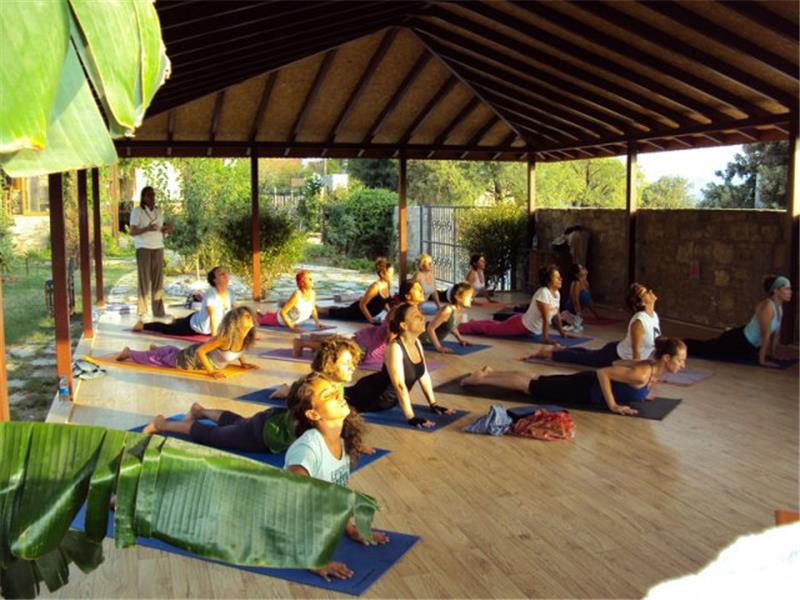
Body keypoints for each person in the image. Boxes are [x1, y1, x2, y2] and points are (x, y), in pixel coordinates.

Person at [143, 336, 362, 456]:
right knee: (214, 436)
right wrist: (285, 391)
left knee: (238, 422)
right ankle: (163, 424)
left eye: (352, 362)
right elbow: (303, 405)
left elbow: (337, 422)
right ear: (329, 365)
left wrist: (352, 443)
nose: (352, 367)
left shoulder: (334, 388)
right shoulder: (316, 387)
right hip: (264, 435)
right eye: (346, 363)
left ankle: (200, 411)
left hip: (271, 420)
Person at [285, 374, 389, 581]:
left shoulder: (340, 440)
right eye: (328, 395)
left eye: (335, 391)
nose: (338, 395)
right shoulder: (307, 450)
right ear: (313, 413)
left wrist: (350, 529)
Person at [462, 337, 687, 416]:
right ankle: (479, 379)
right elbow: (604, 371)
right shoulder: (642, 373)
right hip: (584, 389)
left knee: (536, 379)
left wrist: (641, 394)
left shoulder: (648, 371)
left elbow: (617, 364)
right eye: (680, 360)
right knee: (530, 386)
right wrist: (613, 405)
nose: (683, 365)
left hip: (585, 385)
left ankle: (491, 372)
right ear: (666, 358)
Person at [343, 303, 454, 428]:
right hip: (372, 396)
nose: (422, 317)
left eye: (420, 313)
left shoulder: (417, 343)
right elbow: (399, 385)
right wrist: (411, 417)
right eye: (415, 316)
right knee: (334, 397)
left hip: (387, 398)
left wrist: (433, 404)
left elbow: (423, 375)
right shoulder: (394, 348)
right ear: (404, 325)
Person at [525, 282, 660, 367]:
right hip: (615, 356)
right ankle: (550, 353)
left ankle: (560, 349)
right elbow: (636, 356)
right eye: (645, 292)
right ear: (641, 303)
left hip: (617, 349)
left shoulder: (653, 316)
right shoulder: (639, 321)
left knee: (587, 353)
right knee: (583, 357)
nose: (650, 292)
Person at [117, 307, 258, 378]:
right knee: (158, 360)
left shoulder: (245, 336)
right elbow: (200, 351)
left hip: (194, 354)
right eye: (247, 317)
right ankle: (129, 352)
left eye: (250, 316)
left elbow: (238, 350)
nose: (251, 318)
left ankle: (159, 349)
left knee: (174, 352)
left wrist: (243, 363)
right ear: (236, 323)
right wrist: (211, 372)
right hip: (191, 360)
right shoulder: (224, 338)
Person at [685, 275, 792, 368]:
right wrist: (762, 361)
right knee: (706, 350)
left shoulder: (779, 307)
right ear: (776, 290)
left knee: (710, 349)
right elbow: (766, 336)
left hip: (750, 346)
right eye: (787, 289)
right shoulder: (767, 306)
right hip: (739, 341)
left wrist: (773, 355)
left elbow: (776, 335)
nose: (790, 292)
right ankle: (681, 344)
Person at [458, 264, 568, 342]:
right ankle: (461, 327)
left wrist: (562, 333)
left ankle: (473, 323)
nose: (561, 279)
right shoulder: (543, 293)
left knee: (495, 325)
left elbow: (557, 314)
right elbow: (545, 318)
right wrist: (546, 338)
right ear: (548, 281)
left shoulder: (557, 293)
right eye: (557, 278)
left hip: (527, 327)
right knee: (491, 329)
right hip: (521, 325)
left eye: (560, 277)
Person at [134, 266, 233, 337]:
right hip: (194, 326)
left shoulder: (230, 292)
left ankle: (177, 320)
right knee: (168, 329)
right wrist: (215, 338)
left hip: (199, 318)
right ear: (215, 280)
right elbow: (213, 316)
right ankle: (143, 325)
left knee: (180, 322)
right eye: (222, 274)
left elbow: (234, 311)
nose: (226, 275)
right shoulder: (211, 295)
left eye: (226, 273)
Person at [129, 186, 171, 318]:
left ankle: (158, 311)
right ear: (143, 197)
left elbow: (161, 230)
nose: (152, 197)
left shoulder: (159, 211)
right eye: (149, 195)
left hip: (158, 247)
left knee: (158, 281)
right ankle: (142, 310)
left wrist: (166, 229)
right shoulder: (137, 211)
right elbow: (132, 231)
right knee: (144, 280)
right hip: (143, 247)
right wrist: (146, 228)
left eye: (153, 195)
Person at [320, 257, 393, 323]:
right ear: (382, 274)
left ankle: (319, 308)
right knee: (337, 312)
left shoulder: (387, 285)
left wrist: (391, 314)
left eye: (392, 273)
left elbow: (384, 303)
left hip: (368, 314)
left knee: (340, 310)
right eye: (390, 273)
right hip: (356, 312)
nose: (392, 276)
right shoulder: (375, 287)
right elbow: (362, 305)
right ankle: (317, 309)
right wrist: (371, 320)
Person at [257, 270, 324, 331]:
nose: (311, 280)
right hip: (280, 320)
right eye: (309, 279)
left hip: (295, 319)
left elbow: (313, 309)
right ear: (302, 283)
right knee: (260, 320)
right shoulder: (297, 295)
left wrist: (317, 323)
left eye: (311, 278)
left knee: (270, 315)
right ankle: (261, 315)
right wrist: (292, 328)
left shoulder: (312, 293)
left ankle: (267, 314)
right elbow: (282, 312)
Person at [420, 282, 474, 353]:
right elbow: (430, 328)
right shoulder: (448, 310)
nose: (471, 299)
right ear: (457, 297)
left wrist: (460, 339)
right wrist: (439, 347)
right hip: (422, 338)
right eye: (469, 297)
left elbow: (451, 326)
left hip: (429, 341)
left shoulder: (458, 310)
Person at [561, 263, 600, 331]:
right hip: (571, 310)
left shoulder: (586, 283)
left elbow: (589, 301)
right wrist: (579, 315)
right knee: (577, 327)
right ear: (576, 274)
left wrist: (596, 314)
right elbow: (575, 301)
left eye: (583, 267)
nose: (584, 269)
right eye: (581, 268)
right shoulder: (577, 283)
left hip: (577, 311)